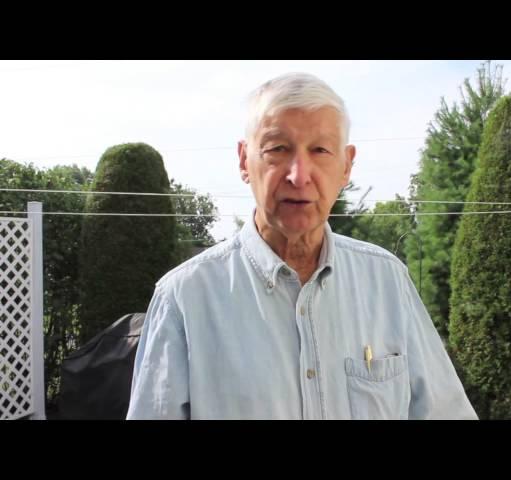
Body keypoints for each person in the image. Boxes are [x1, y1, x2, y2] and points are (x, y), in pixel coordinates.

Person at [126, 72, 477, 420]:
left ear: (346, 166)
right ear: (243, 160)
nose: (299, 175)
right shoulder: (185, 298)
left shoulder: (388, 283)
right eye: (278, 149)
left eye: (320, 150)